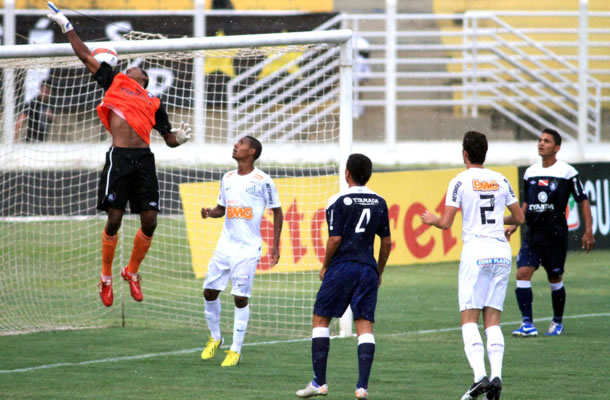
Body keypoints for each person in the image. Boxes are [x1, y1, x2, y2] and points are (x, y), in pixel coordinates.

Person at [47, 3, 191, 307]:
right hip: (120, 157)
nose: (133, 68)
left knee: (149, 220)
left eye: (138, 69)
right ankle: (106, 277)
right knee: (114, 218)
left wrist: (178, 138)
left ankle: (132, 272)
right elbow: (85, 54)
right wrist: (66, 26)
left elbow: (167, 139)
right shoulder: (115, 81)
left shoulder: (154, 101)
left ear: (146, 80)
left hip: (145, 160)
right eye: (130, 67)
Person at [421, 131, 524, 400]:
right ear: (485, 153)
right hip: (501, 253)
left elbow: (446, 223)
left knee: (469, 319)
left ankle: (480, 376)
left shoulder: (459, 181)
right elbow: (520, 217)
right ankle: (497, 376)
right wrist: (502, 225)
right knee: (493, 321)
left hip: (476, 253)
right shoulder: (500, 179)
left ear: (464, 154)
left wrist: (431, 219)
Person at [296, 153, 391, 400]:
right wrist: (378, 270)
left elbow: (335, 238)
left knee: (320, 319)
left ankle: (319, 382)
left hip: (343, 267)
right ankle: (362, 388)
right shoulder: (380, 201)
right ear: (368, 175)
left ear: (347, 173)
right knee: (365, 326)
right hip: (367, 268)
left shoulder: (337, 200)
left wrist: (325, 265)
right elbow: (387, 242)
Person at [199, 135, 283, 367]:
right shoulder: (227, 178)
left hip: (247, 248)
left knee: (240, 297)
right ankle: (216, 337)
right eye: (236, 144)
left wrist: (275, 245)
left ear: (252, 151)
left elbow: (277, 211)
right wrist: (210, 212)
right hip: (225, 246)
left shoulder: (263, 180)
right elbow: (221, 209)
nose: (236, 146)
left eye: (241, 144)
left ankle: (235, 349)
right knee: (209, 292)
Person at [506, 128, 594, 338]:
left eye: (546, 141)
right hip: (532, 234)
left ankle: (557, 321)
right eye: (539, 140)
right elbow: (527, 203)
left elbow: (583, 200)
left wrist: (588, 231)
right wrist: (516, 224)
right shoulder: (530, 173)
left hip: (555, 236)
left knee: (555, 277)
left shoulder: (567, 172)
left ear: (557, 147)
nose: (541, 143)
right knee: (522, 273)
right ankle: (527, 323)